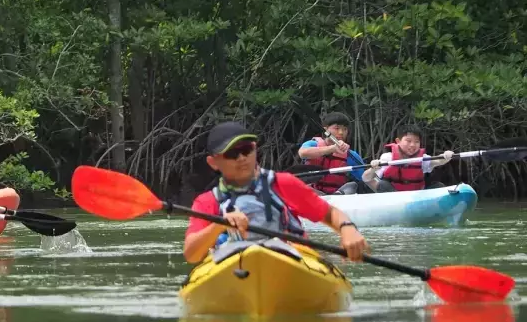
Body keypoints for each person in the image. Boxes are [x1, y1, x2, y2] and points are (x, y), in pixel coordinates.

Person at [183, 122, 369, 264]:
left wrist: (347, 229)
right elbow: (192, 254)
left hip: (290, 258)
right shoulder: (207, 201)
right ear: (213, 162)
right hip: (234, 263)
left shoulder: (284, 184)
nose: (241, 158)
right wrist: (218, 225)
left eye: (246, 149)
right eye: (232, 154)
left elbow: (330, 214)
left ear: (255, 150)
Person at [362, 128, 455, 193]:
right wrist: (373, 168)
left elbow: (438, 161)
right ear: (398, 141)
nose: (412, 145)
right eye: (408, 141)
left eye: (416, 142)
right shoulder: (388, 158)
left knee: (439, 186)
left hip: (416, 196)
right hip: (394, 197)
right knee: (382, 184)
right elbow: (365, 178)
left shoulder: (422, 158)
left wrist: (446, 156)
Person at [297, 112, 368, 195]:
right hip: (314, 192)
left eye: (345, 129)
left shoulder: (350, 155)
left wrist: (374, 169)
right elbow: (302, 153)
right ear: (326, 130)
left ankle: (337, 195)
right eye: (337, 128)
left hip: (337, 194)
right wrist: (332, 148)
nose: (341, 132)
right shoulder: (313, 144)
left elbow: (364, 177)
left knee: (352, 185)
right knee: (301, 187)